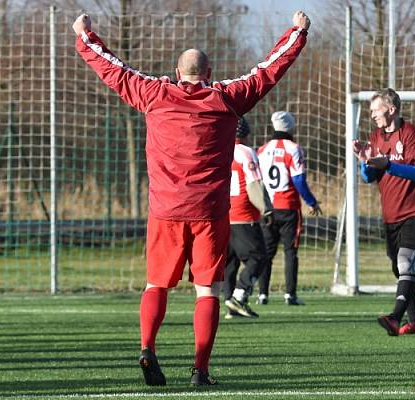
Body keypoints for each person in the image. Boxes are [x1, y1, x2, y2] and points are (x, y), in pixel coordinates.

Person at [73, 11, 310, 386]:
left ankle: (148, 347)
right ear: (210, 72)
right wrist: (296, 32)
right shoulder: (227, 98)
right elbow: (267, 70)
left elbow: (114, 70)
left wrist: (86, 35)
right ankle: (200, 369)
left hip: (165, 210)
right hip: (210, 213)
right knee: (208, 290)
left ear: (176, 70)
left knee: (156, 285)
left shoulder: (153, 93)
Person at [352, 88, 415, 336]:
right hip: (391, 214)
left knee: (405, 261)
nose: (372, 115)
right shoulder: (376, 136)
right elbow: (369, 177)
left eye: (376, 110)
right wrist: (364, 160)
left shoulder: (412, 135)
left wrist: (388, 164)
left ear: (392, 109)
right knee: (400, 269)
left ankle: (395, 317)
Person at [256, 111, 322, 306]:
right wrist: (311, 201)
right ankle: (290, 295)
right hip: (288, 207)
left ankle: (262, 294)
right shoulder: (293, 148)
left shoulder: (261, 150)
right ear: (291, 127)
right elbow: (298, 179)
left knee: (267, 252)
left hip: (267, 208)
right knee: (290, 251)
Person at [223, 117, 273, 319]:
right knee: (258, 257)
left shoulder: (215, 148)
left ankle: (230, 304)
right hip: (243, 214)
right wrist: (266, 209)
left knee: (229, 262)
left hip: (222, 214)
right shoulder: (245, 152)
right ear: (246, 132)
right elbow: (253, 184)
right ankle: (239, 295)